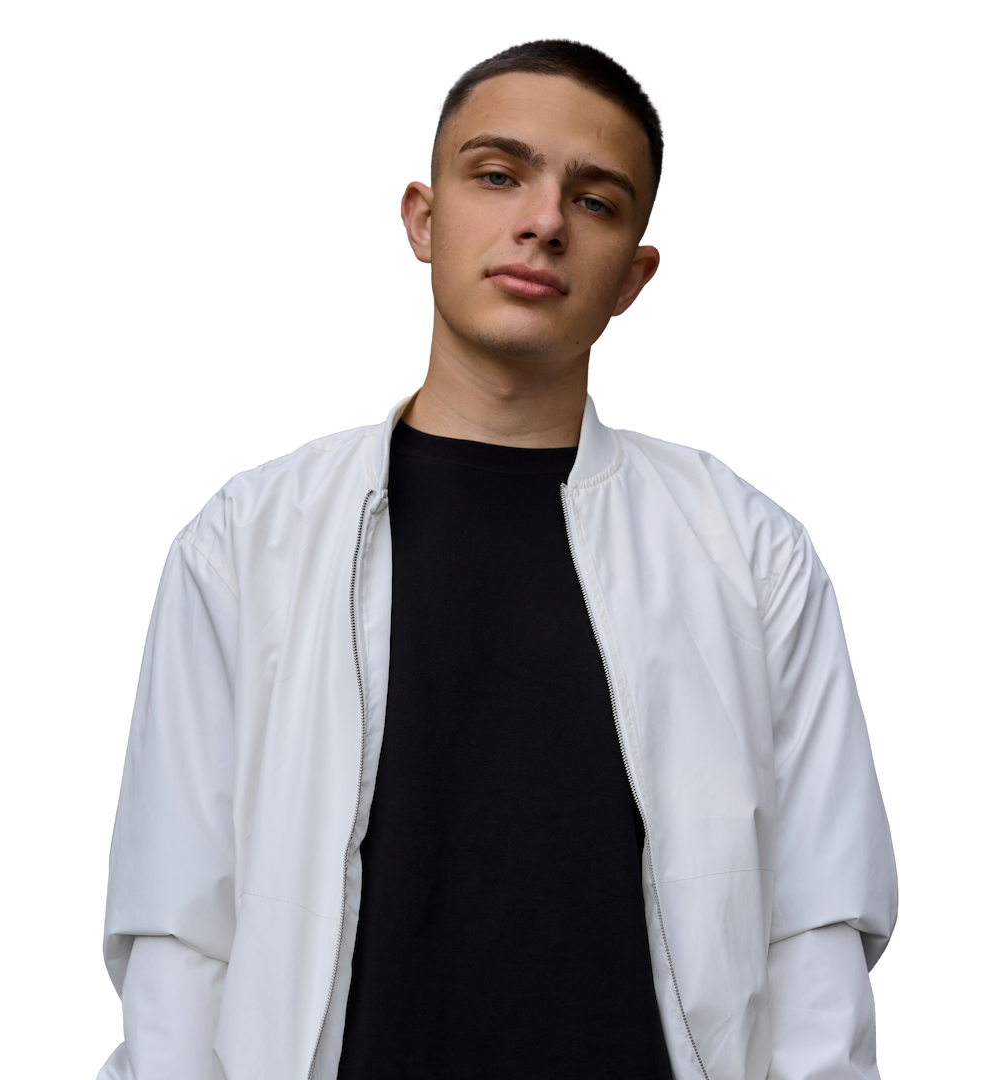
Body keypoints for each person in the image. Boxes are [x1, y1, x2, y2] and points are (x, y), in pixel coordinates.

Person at [98, 36, 898, 1080]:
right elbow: (177, 928)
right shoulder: (249, 538)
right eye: (497, 175)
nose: (543, 221)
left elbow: (816, 925)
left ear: (635, 276)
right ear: (421, 218)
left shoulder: (748, 548)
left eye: (595, 201)